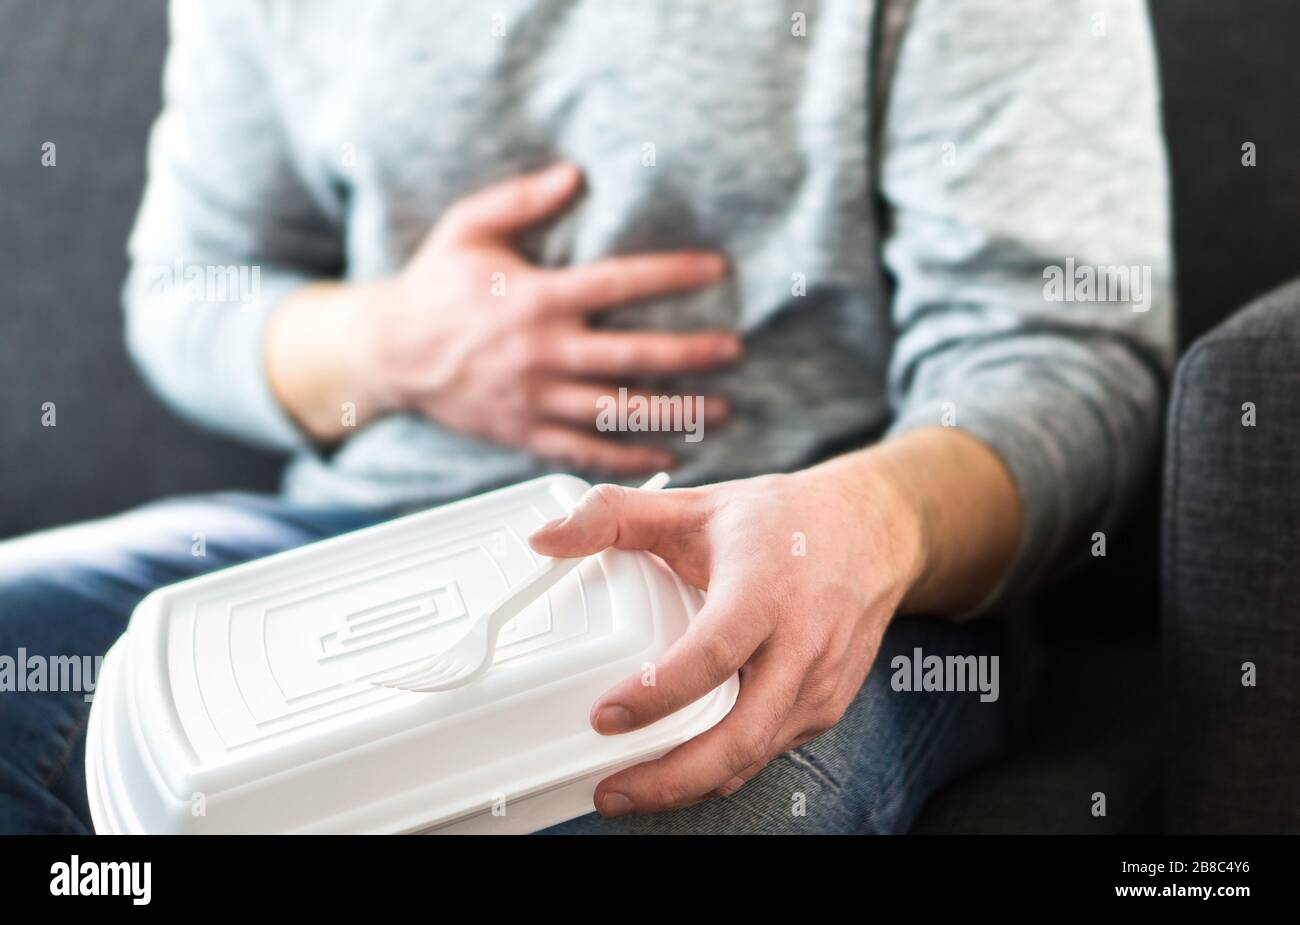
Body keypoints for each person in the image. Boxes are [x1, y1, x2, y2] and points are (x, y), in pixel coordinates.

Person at [0, 0, 1171, 834]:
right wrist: (391, 344)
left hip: (795, 553)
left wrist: (864, 517)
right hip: (360, 541)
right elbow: (191, 289)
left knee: (671, 799)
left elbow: (1065, 358)